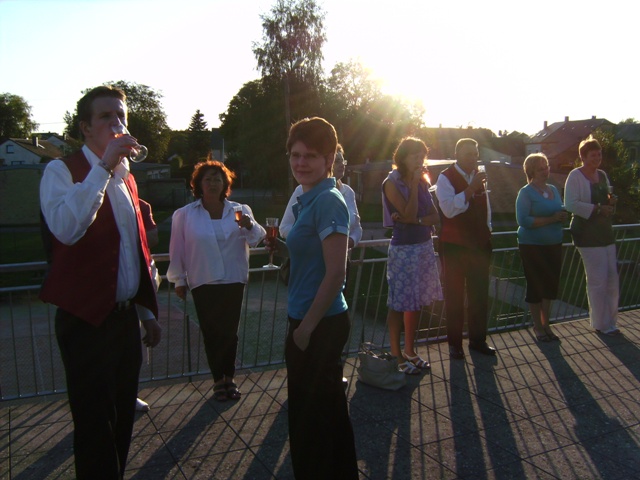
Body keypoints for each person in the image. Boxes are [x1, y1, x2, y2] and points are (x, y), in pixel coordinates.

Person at [39, 85, 162, 479]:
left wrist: (147, 312)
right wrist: (103, 168)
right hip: (85, 320)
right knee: (95, 426)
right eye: (107, 116)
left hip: (125, 320)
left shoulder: (127, 179)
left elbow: (134, 253)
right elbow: (67, 230)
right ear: (85, 127)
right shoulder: (60, 171)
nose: (118, 123)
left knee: (123, 418)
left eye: (122, 115)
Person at [278, 117, 358, 479]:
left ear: (329, 159)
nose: (300, 163)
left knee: (315, 423)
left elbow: (336, 272)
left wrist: (305, 329)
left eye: (310, 155)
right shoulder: (308, 199)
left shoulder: (327, 200)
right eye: (295, 154)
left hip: (319, 323)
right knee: (320, 419)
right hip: (310, 318)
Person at [167, 159, 265, 401]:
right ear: (198, 184)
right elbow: (176, 249)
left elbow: (256, 238)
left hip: (233, 278)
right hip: (204, 280)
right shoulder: (185, 215)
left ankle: (230, 378)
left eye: (217, 178)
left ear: (225, 184)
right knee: (212, 332)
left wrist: (250, 224)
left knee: (230, 332)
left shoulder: (240, 210)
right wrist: (179, 280)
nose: (212, 183)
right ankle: (217, 380)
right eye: (207, 178)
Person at [382, 137, 442, 374]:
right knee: (399, 303)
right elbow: (408, 210)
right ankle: (396, 355)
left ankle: (410, 350)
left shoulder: (423, 183)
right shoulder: (391, 182)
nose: (419, 159)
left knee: (415, 302)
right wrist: (416, 185)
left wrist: (414, 220)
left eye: (422, 155)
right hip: (404, 249)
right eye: (414, 155)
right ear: (402, 157)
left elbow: (434, 217)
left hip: (423, 245)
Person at [435, 138, 496, 359]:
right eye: (469, 153)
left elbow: (485, 208)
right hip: (454, 247)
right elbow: (450, 209)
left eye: (475, 153)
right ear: (457, 154)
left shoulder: (479, 177)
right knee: (454, 296)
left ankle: (478, 340)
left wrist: (488, 233)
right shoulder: (445, 177)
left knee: (479, 295)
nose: (473, 157)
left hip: (479, 245)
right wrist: (470, 189)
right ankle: (455, 344)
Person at [564, 136, 620, 336]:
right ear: (583, 157)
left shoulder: (603, 175)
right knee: (598, 280)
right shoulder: (575, 176)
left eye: (599, 154)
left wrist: (610, 202)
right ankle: (600, 323)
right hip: (586, 234)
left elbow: (606, 198)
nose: (597, 158)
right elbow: (570, 204)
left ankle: (612, 321)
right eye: (593, 155)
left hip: (605, 232)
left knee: (612, 279)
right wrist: (597, 209)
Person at [515, 153, 568, 342]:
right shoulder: (526, 193)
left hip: (554, 243)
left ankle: (547, 325)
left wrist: (561, 216)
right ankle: (537, 326)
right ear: (531, 171)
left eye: (546, 167)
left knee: (550, 285)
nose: (545, 171)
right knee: (536, 285)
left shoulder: (553, 188)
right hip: (532, 246)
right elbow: (523, 220)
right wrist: (551, 219)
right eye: (541, 168)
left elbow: (558, 210)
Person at [280, 144, 363, 248]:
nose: (342, 165)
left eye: (343, 161)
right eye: (337, 161)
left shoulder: (348, 192)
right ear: (328, 162)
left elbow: (357, 228)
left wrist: (348, 243)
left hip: (341, 258)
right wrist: (314, 239)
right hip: (311, 258)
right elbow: (284, 228)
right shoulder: (303, 190)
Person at [135, 198, 159, 413]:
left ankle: (130, 391)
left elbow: (152, 237)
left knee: (136, 344)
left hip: (139, 278)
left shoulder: (141, 205)